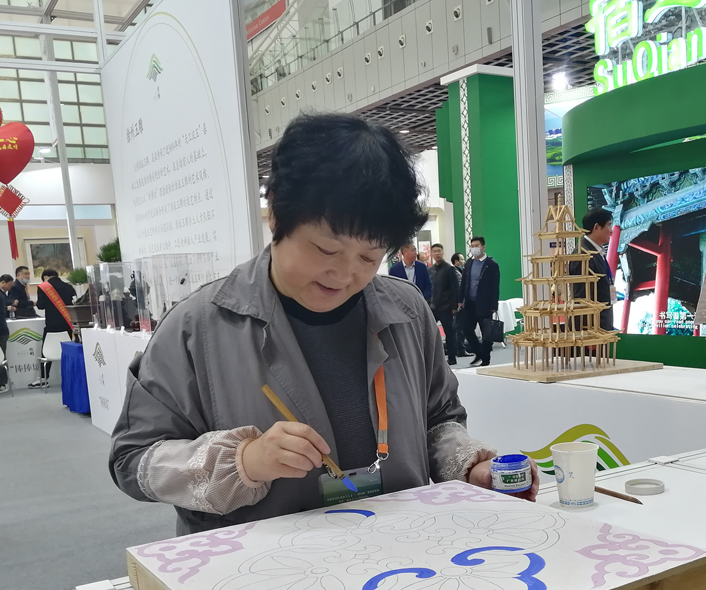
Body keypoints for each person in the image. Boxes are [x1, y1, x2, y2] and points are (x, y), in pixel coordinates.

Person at [109, 113, 538, 536]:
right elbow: (134, 460)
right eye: (326, 250)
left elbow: (439, 420)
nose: (344, 274)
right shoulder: (198, 327)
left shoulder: (406, 311)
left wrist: (468, 465)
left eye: (369, 257)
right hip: (263, 565)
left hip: (400, 554)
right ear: (276, 216)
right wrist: (244, 462)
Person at [570, 208, 616, 331]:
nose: (611, 230)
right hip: (591, 330)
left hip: (601, 326)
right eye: (608, 225)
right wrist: (588, 333)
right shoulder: (582, 255)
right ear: (597, 227)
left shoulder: (595, 251)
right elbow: (582, 300)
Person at [28, 268, 76, 388]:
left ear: (45, 277)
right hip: (67, 324)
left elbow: (41, 305)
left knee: (46, 350)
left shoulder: (43, 287)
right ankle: (72, 376)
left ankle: (43, 378)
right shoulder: (68, 287)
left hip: (52, 325)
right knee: (69, 351)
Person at [459, 236, 500, 367]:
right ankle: (478, 352)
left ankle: (486, 358)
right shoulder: (469, 263)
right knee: (467, 329)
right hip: (469, 303)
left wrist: (494, 305)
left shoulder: (491, 265)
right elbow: (464, 283)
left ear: (483, 247)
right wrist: (460, 299)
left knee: (486, 332)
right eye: (472, 246)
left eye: (477, 246)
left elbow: (495, 286)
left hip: (485, 304)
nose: (474, 248)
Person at [429, 243, 461, 365]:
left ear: (443, 253)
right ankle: (433, 358)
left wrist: (454, 306)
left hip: (446, 306)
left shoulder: (449, 269)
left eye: (439, 251)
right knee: (430, 333)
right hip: (433, 306)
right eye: (434, 251)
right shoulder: (430, 270)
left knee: (449, 333)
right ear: (431, 254)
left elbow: (455, 288)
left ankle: (452, 357)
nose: (437, 253)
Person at [450, 251, 470, 357]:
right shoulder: (455, 272)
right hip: (459, 304)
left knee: (460, 327)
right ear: (456, 262)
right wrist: (459, 303)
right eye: (461, 259)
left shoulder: (460, 271)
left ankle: (460, 349)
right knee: (460, 327)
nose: (463, 261)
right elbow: (459, 289)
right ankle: (460, 349)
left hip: (460, 303)